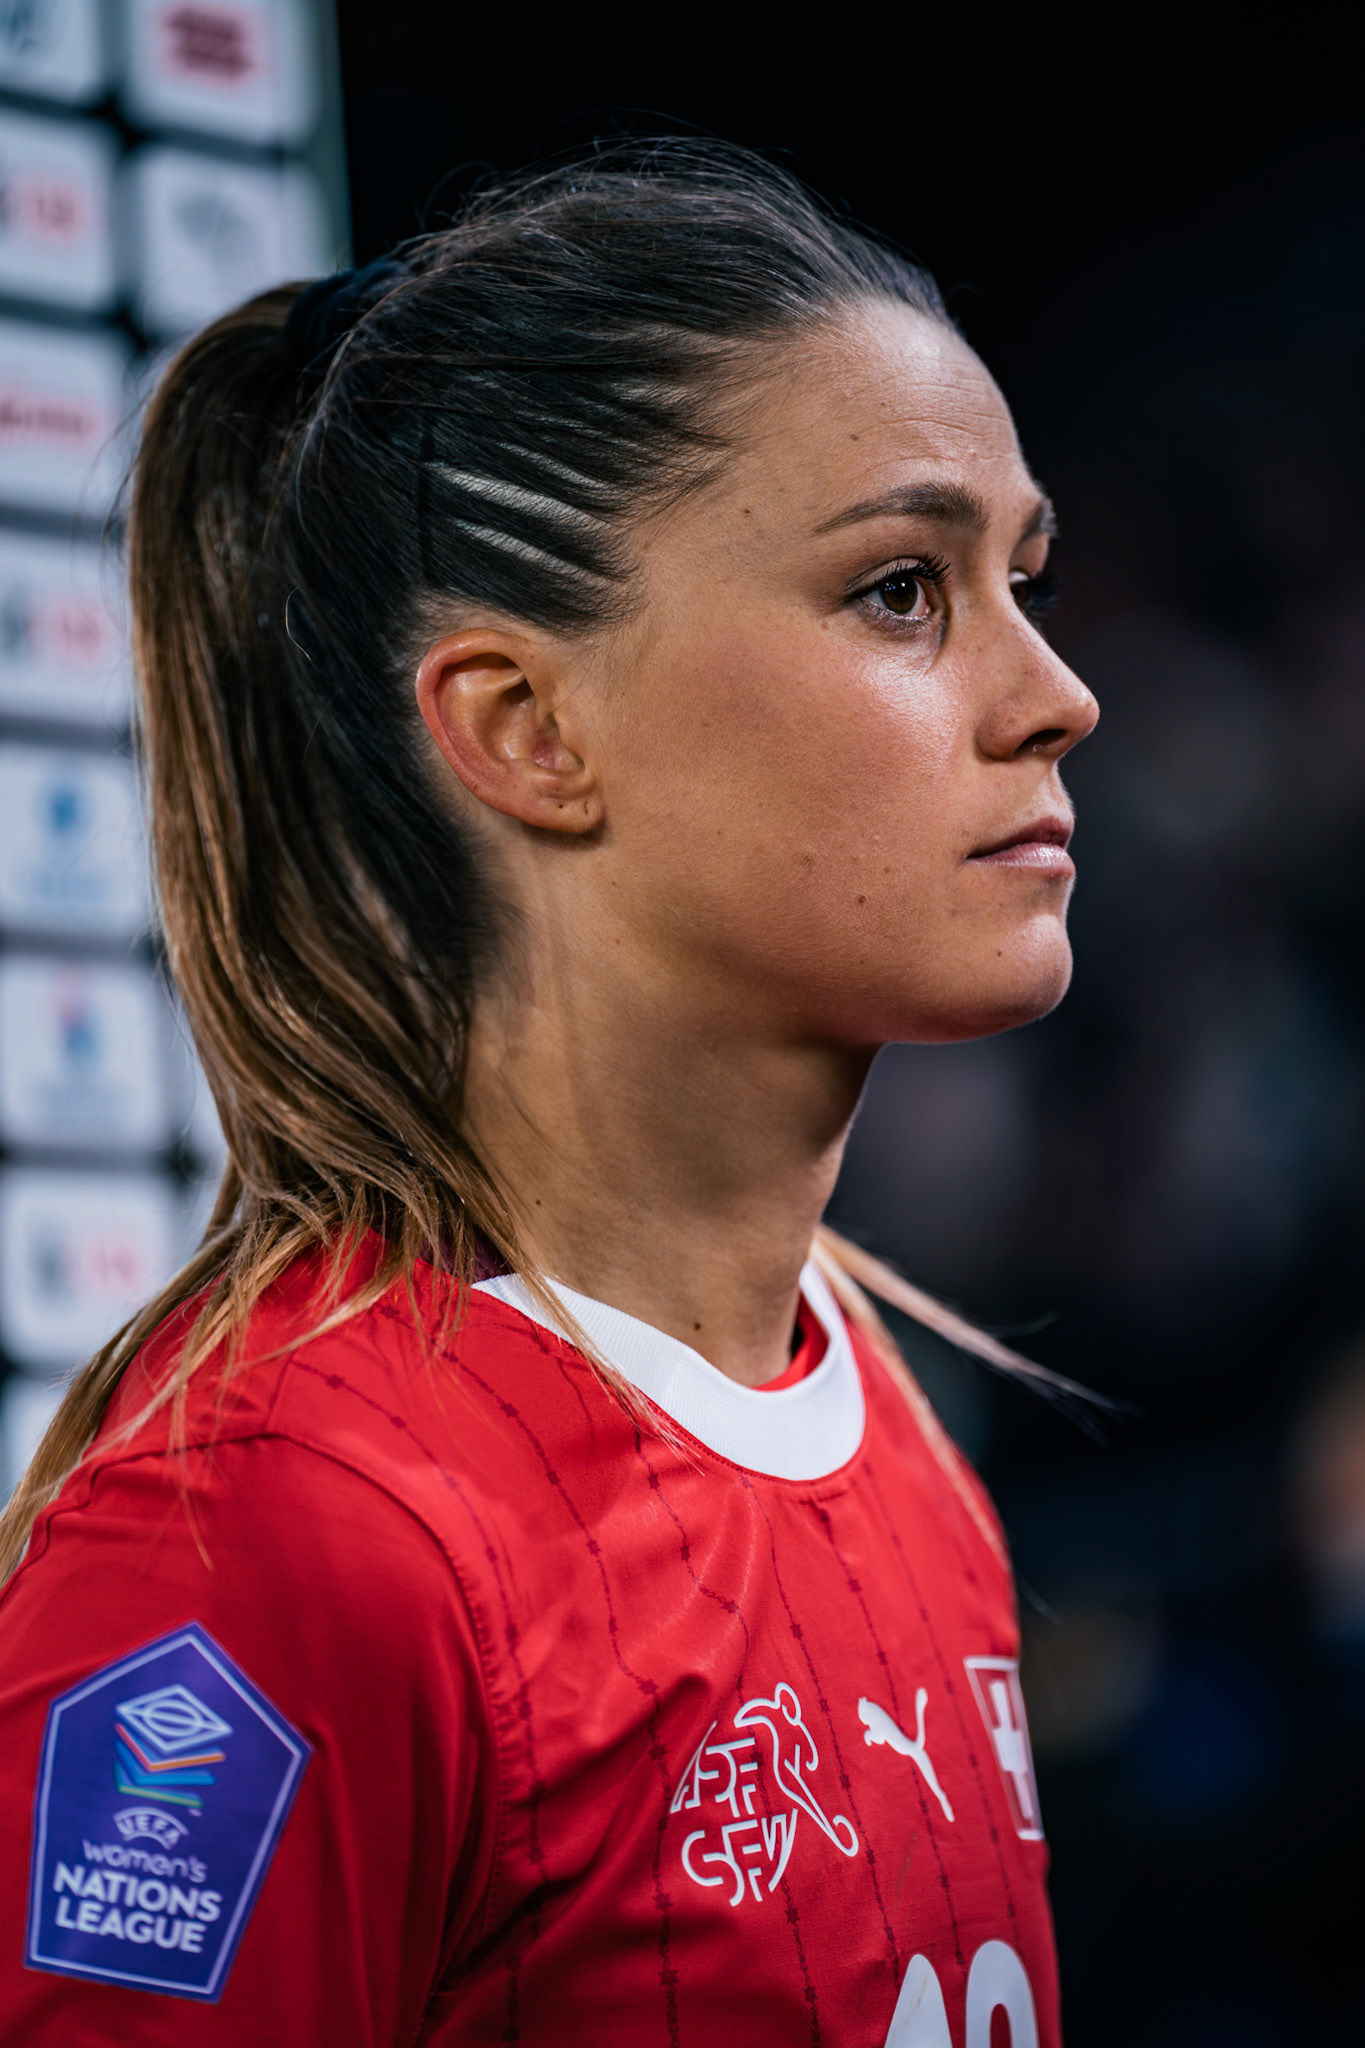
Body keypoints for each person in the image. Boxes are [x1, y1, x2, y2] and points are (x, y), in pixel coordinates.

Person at [0, 142, 1098, 2046]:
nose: (1056, 689)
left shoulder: (883, 1407)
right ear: (525, 728)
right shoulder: (275, 1535)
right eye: (905, 590)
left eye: (1023, 576)